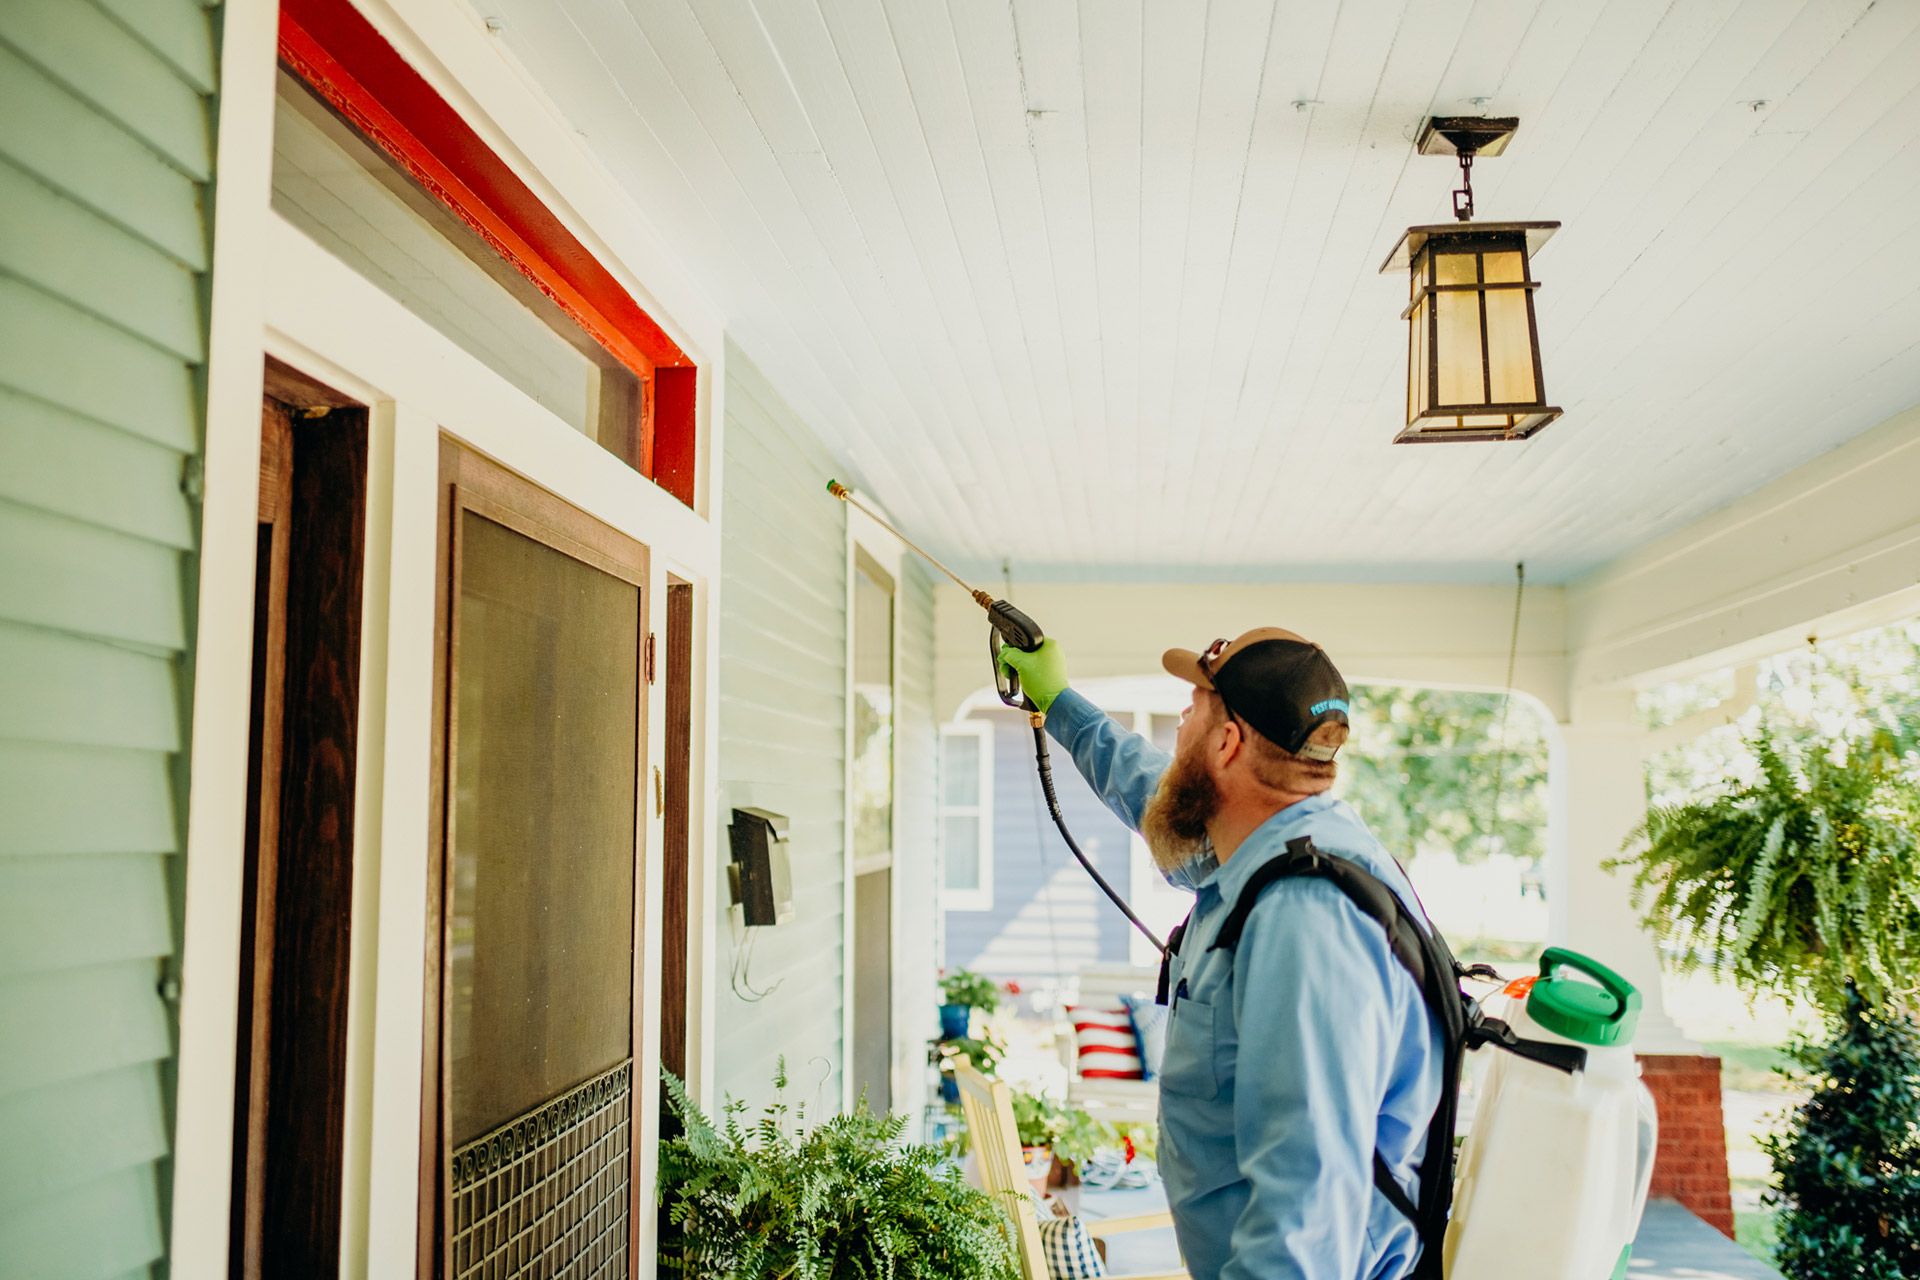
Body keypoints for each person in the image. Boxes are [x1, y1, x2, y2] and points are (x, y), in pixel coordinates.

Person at [998, 628, 1444, 1280]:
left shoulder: (1305, 918)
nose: (1179, 724)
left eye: (1193, 709)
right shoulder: (1264, 839)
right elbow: (1153, 790)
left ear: (1226, 743)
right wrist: (1059, 700)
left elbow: (1307, 1216)